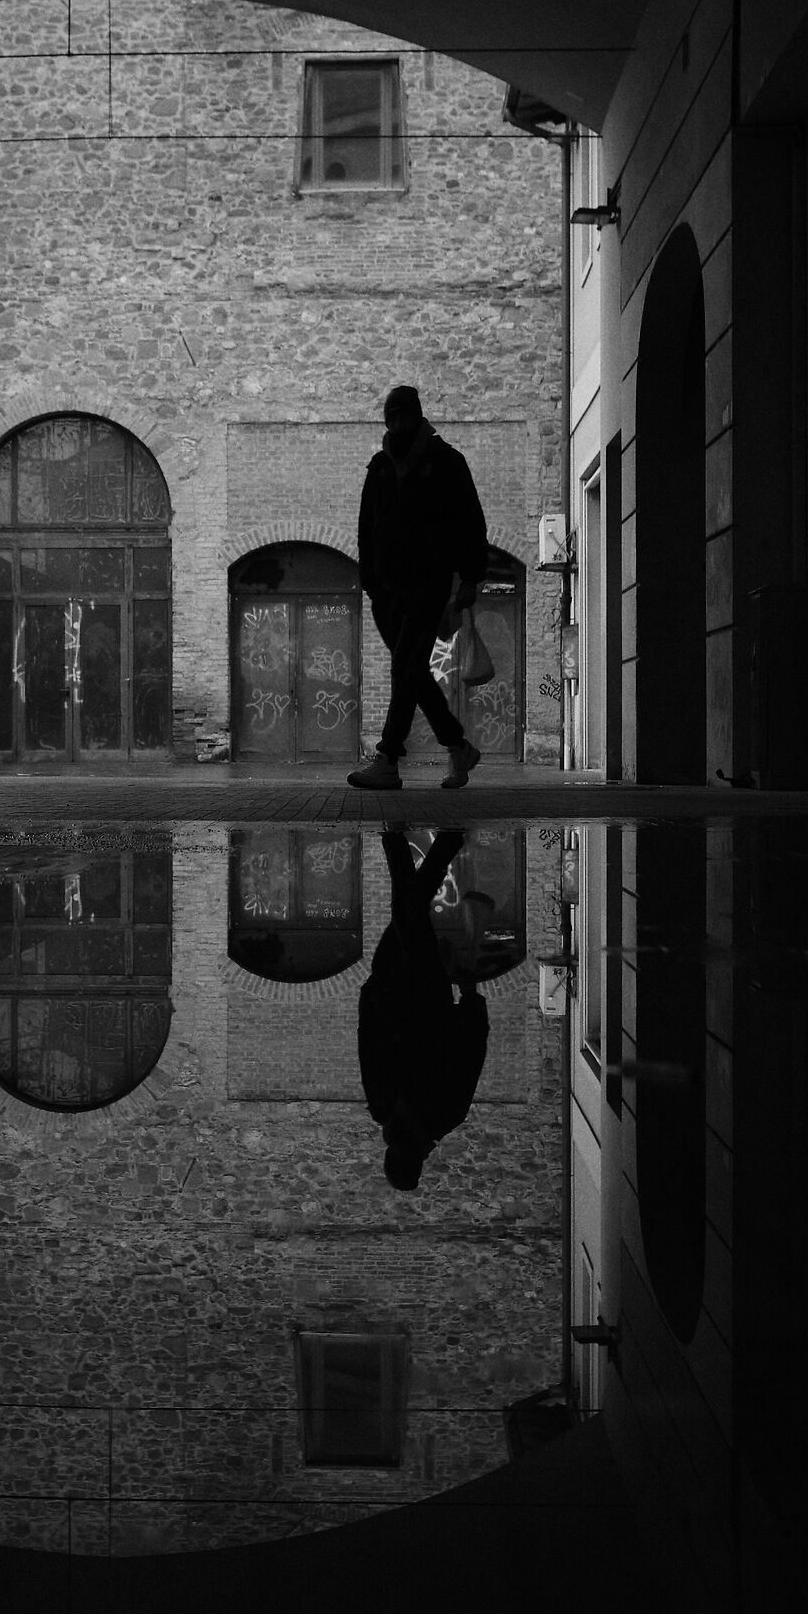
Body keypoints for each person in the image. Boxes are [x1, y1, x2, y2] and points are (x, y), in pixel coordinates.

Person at [348, 383, 489, 791]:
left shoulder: (447, 462)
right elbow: (365, 530)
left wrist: (470, 579)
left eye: (403, 416)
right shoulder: (379, 467)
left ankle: (388, 757)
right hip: (386, 592)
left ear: (416, 415)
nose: (397, 424)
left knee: (406, 667)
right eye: (391, 417)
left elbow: (470, 524)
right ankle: (458, 746)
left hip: (429, 584)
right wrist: (371, 582)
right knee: (411, 673)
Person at [358, 827, 489, 1190]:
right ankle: (402, 839)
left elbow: (368, 1045)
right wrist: (470, 996)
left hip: (392, 985)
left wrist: (370, 993)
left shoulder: (388, 1108)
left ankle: (428, 841)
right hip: (423, 989)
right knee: (405, 909)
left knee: (407, 908)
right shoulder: (441, 1113)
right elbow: (470, 1050)